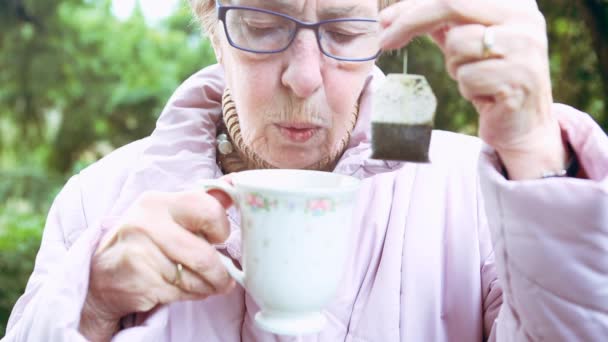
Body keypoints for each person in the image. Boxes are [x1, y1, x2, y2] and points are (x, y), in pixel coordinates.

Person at [4, 0, 607, 341]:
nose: (304, 76)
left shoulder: (477, 195)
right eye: (264, 28)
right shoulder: (98, 202)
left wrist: (532, 151)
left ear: (386, 28)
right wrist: (91, 304)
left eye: (344, 32)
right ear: (212, 24)